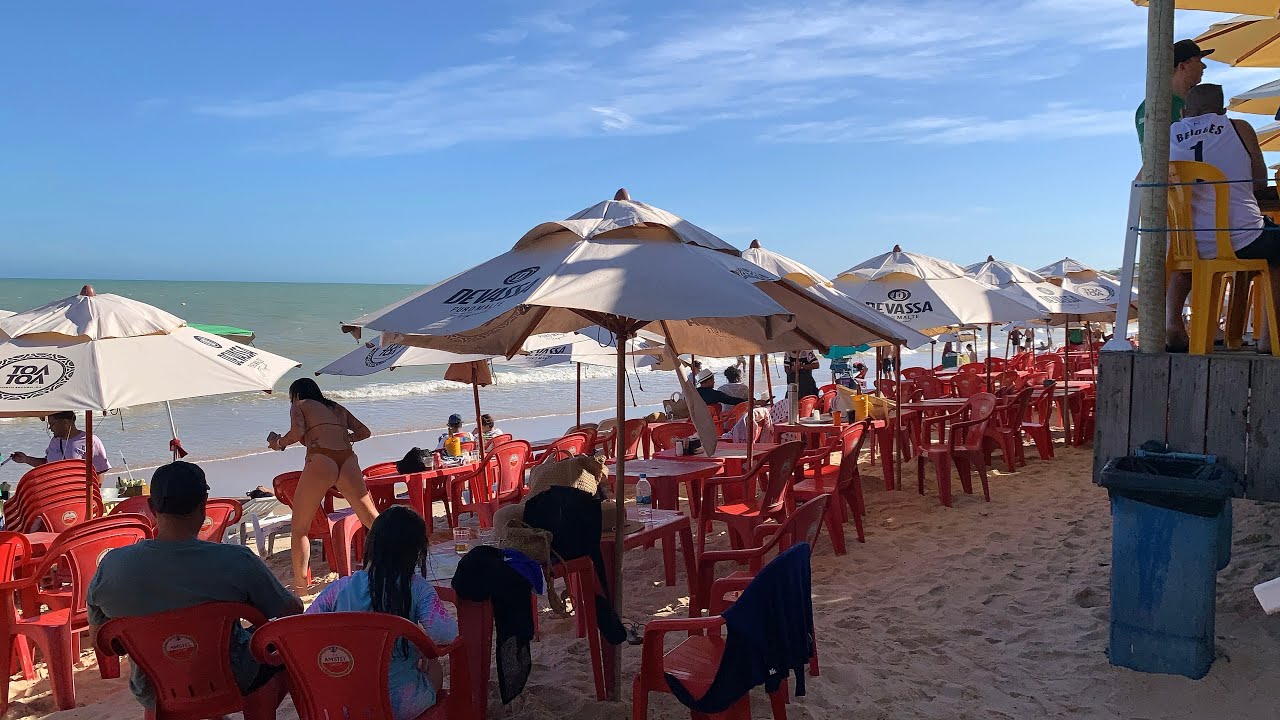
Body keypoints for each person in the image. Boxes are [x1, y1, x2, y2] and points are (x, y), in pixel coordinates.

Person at [87, 461, 303, 711]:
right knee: (287, 647)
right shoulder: (237, 561)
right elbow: (291, 611)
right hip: (234, 679)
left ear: (151, 507)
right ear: (203, 506)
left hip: (155, 689)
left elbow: (103, 643)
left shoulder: (112, 566)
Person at [307, 506, 457, 719]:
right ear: (416, 552)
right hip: (400, 704)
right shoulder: (417, 587)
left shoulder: (338, 589)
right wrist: (422, 646)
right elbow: (446, 634)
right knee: (434, 666)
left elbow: (306, 628)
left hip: (346, 706)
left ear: (371, 544)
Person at [1168, 83, 1280, 353]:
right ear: (1223, 111)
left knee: (1190, 264)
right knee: (1276, 247)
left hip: (1186, 243)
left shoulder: (1167, 134)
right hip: (1241, 240)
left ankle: (1172, 323)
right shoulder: (1238, 128)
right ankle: (1270, 337)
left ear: (1184, 112)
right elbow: (1258, 181)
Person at [267, 378, 378, 590]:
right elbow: (364, 432)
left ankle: (301, 589)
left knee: (300, 529)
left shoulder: (299, 404)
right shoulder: (336, 407)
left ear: (296, 394)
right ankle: (401, 560)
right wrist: (343, 438)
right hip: (347, 459)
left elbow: (298, 432)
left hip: (321, 458)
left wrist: (278, 443)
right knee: (373, 519)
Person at [1136, 39, 1211, 144]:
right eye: (1198, 61)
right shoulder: (1155, 105)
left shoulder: (1194, 102)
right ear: (1182, 66)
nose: (1204, 66)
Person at [9, 411, 110, 475]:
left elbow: (100, 472)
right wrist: (26, 459)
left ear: (65, 423)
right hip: (56, 492)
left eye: (52, 424)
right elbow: (48, 464)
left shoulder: (90, 440)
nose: (50, 428)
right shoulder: (55, 441)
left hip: (79, 494)